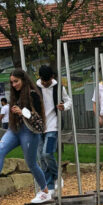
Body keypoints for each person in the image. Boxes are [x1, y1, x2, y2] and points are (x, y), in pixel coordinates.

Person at [0, 69, 52, 203]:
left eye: (16, 81)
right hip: (15, 130)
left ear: (23, 80)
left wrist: (21, 112)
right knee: (0, 150)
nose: (14, 85)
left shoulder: (33, 94)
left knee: (31, 164)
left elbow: (38, 119)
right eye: (12, 82)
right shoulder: (15, 95)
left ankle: (45, 191)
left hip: (29, 132)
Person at [36, 65, 72, 196]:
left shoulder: (59, 88)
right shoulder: (35, 89)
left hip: (53, 126)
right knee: (40, 157)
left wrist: (64, 106)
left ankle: (57, 176)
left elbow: (69, 101)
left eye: (48, 81)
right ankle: (49, 185)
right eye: (43, 81)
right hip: (38, 127)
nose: (45, 83)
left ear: (52, 77)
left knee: (47, 154)